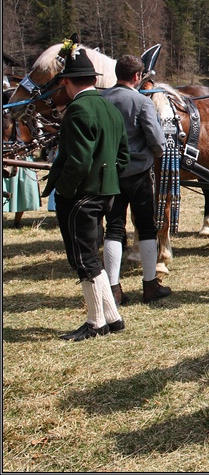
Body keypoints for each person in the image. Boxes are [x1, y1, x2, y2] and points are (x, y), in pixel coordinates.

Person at [40, 48, 129, 341]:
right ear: (93, 79)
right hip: (106, 191)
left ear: (66, 82)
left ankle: (94, 322)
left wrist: (64, 192)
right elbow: (123, 156)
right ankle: (112, 317)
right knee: (91, 255)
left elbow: (78, 161)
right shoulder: (110, 108)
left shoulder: (78, 110)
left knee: (83, 258)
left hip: (81, 194)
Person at [101, 55, 169, 306]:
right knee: (147, 228)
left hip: (109, 174)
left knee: (114, 228)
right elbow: (157, 140)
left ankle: (113, 288)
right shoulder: (141, 102)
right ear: (138, 77)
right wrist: (157, 151)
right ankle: (150, 285)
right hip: (139, 174)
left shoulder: (102, 99)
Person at [2, 106, 41, 228]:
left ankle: (17, 222)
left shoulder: (26, 117)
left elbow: (35, 135)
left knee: (23, 189)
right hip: (11, 155)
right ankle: (17, 222)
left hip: (22, 155)